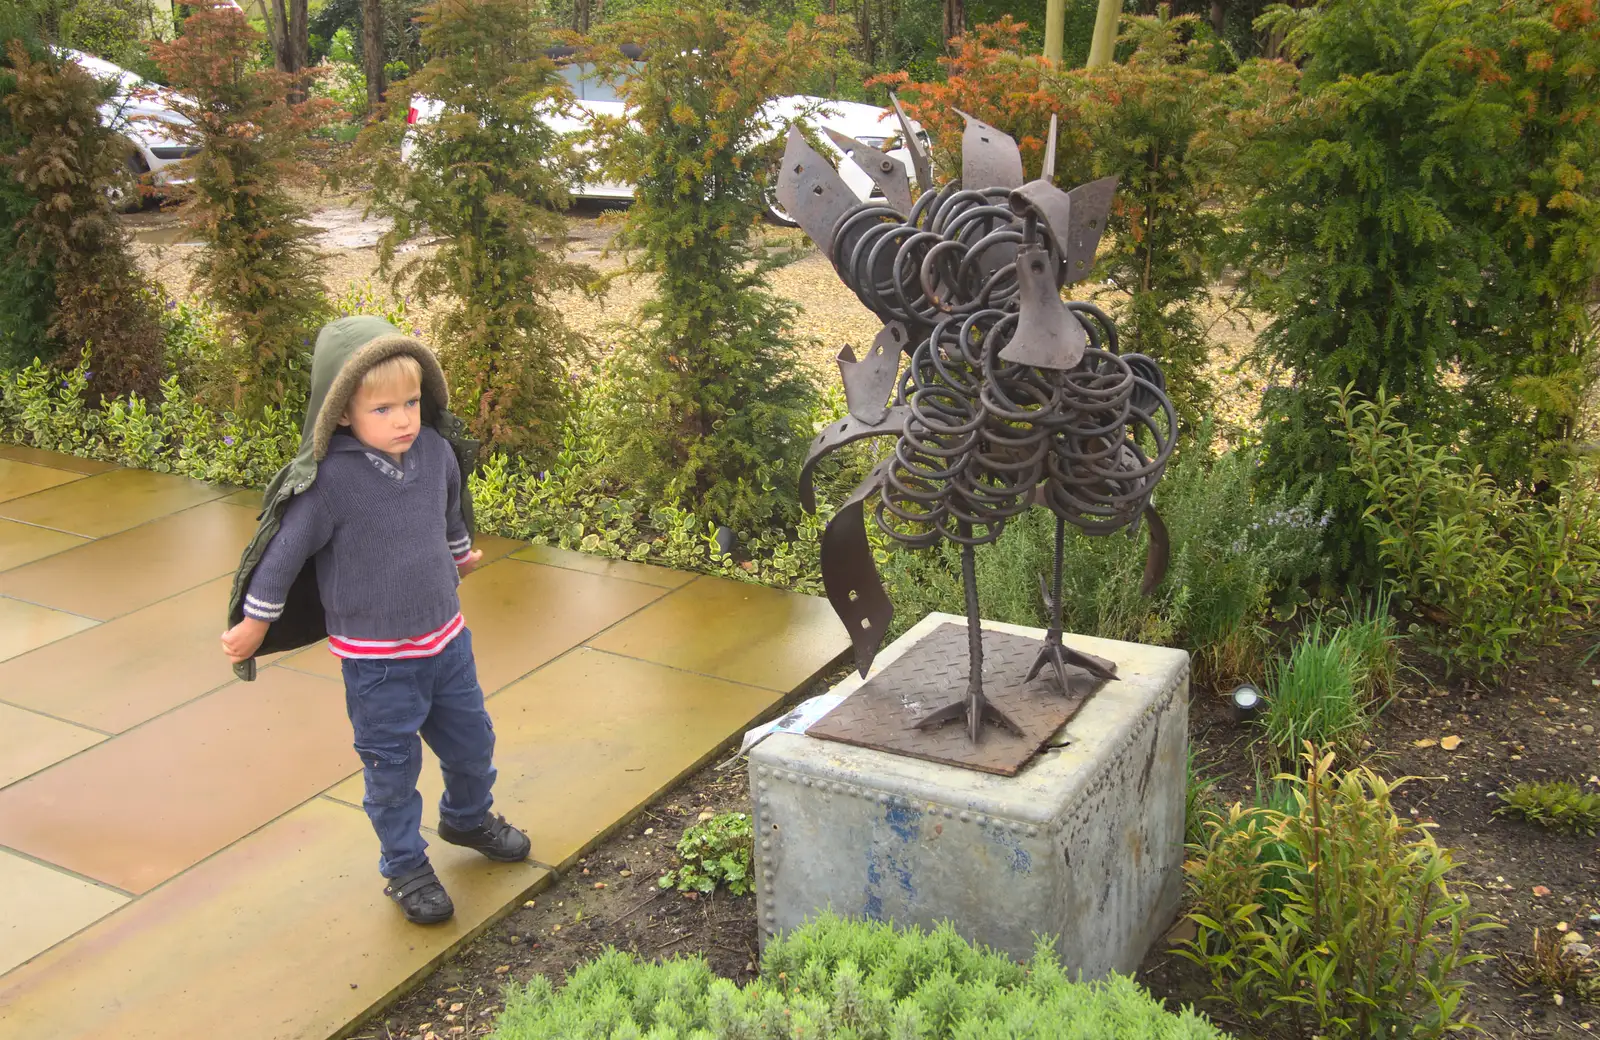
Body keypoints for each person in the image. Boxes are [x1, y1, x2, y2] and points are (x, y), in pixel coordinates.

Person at [220, 316, 530, 925]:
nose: (404, 419)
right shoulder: (330, 483)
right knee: (392, 771)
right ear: (340, 413)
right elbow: (281, 554)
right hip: (378, 665)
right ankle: (405, 866)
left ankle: (467, 819)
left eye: (412, 402)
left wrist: (460, 555)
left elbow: (448, 511)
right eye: (383, 409)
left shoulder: (435, 452)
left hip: (448, 644)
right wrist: (255, 624)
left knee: (474, 745)